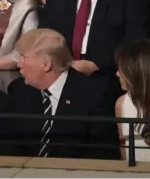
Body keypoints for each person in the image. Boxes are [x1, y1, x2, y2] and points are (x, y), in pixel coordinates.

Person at [7, 28, 120, 160]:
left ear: (46, 64)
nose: (19, 64)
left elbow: (102, 152)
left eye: (24, 57)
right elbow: (11, 145)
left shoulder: (95, 94)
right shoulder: (19, 90)